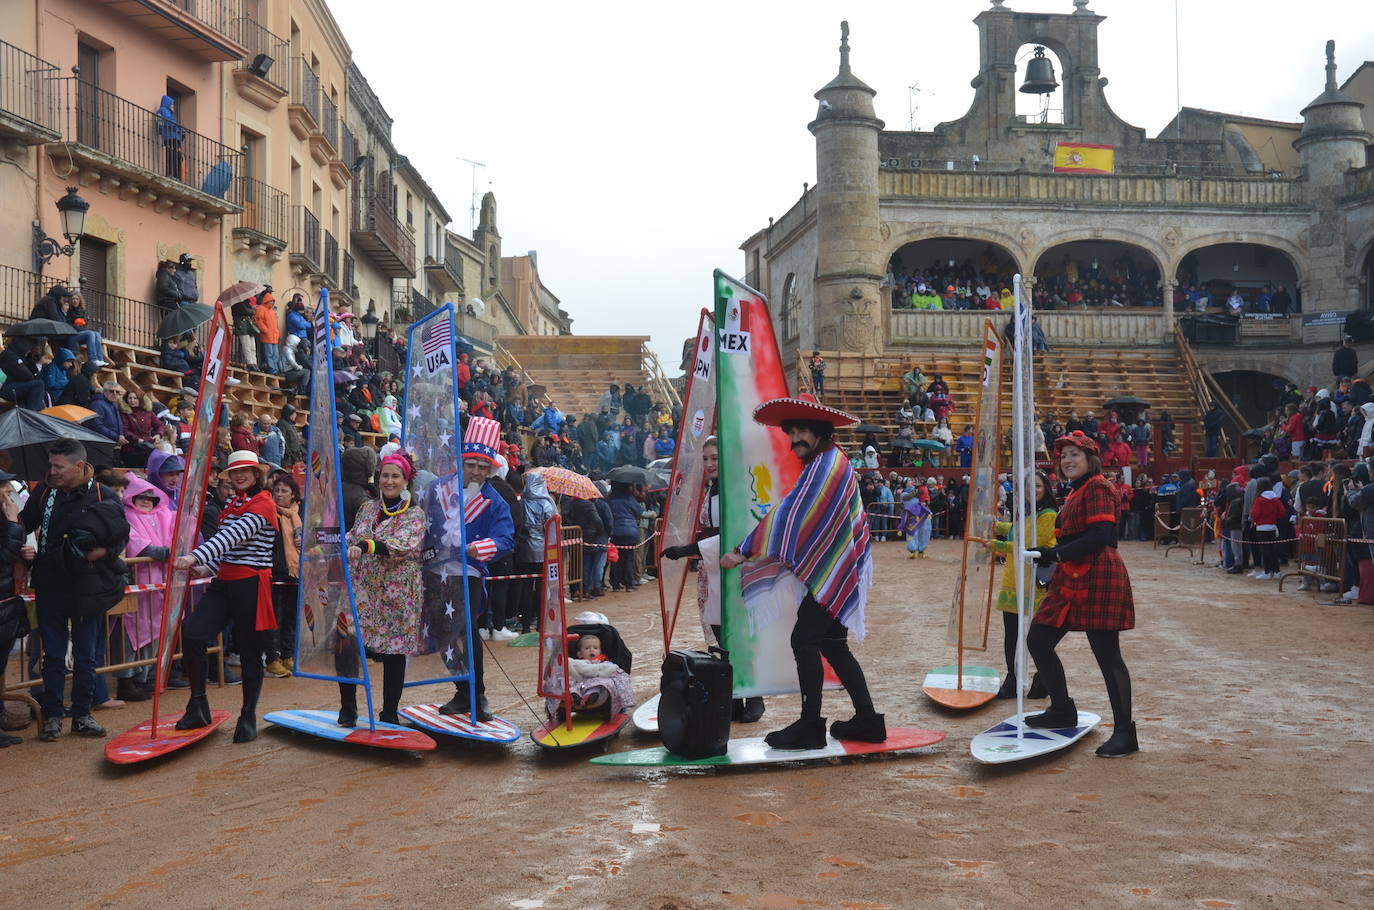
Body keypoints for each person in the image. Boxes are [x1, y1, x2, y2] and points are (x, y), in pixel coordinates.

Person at [719, 394, 882, 750]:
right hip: (843, 567)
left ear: (821, 431)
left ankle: (811, 726)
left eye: (803, 431)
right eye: (791, 433)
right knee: (833, 644)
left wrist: (742, 551)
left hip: (838, 569)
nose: (795, 440)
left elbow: (790, 514)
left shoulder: (826, 465)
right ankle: (868, 720)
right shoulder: (827, 461)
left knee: (804, 640)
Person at [1024, 431, 1138, 757]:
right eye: (1063, 456)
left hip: (1098, 574)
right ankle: (1061, 710)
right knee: (1039, 638)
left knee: (1107, 655)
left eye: (1075, 454)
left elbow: (1100, 535)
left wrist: (1052, 555)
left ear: (1090, 458)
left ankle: (1125, 733)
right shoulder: (1076, 491)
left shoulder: (1099, 486)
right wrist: (1049, 553)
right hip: (1071, 575)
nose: (1068, 460)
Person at [21, 440, 130, 742]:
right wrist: (22, 546)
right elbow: (22, 526)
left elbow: (121, 537)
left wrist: (102, 553)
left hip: (88, 586)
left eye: (59, 467)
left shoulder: (103, 494)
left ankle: (82, 715)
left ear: (79, 466)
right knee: (53, 655)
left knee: (86, 655)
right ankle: (53, 715)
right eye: (50, 465)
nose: (52, 471)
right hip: (49, 584)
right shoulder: (43, 492)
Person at [172, 451, 278, 743]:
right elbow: (228, 548)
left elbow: (231, 537)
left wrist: (195, 556)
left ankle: (248, 715)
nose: (240, 475)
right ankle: (198, 705)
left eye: (245, 470)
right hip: (224, 581)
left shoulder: (263, 503)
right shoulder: (234, 503)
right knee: (193, 633)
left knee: (250, 652)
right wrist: (207, 566)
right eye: (235, 472)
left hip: (250, 585)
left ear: (256, 473)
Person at [660, 437, 765, 723]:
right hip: (713, 568)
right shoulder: (711, 491)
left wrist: (687, 549)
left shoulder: (736, 490)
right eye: (705, 459)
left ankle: (754, 695)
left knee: (740, 635)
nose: (709, 464)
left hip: (734, 567)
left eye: (715, 458)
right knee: (720, 633)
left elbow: (734, 533)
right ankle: (730, 696)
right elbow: (711, 531)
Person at [423, 416, 515, 721]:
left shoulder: (494, 501)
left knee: (467, 629)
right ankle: (462, 691)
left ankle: (478, 693)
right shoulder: (437, 489)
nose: (475, 471)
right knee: (441, 631)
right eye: (471, 464)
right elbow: (420, 524)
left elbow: (506, 538)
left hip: (469, 573)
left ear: (490, 469)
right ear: (462, 461)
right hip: (436, 571)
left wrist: (482, 547)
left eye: (482, 466)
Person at [339, 452, 426, 725]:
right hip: (364, 588)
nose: (389, 481)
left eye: (395, 476)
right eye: (385, 475)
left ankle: (390, 712)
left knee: (393, 651)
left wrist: (366, 546)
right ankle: (348, 708)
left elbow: (401, 545)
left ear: (405, 481)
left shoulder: (414, 514)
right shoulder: (367, 508)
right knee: (347, 643)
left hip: (397, 592)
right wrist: (318, 543)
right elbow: (352, 536)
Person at [987, 471, 1057, 699]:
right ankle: (1012, 677)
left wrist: (996, 544)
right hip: (1014, 578)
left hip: (1035, 581)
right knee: (1011, 634)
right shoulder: (1026, 513)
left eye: (1036, 485)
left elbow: (1026, 544)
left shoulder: (1049, 514)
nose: (1032, 490)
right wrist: (997, 525)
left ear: (1045, 488)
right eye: (1027, 487)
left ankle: (1043, 677)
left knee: (1038, 636)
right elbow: (1017, 532)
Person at [114, 475, 175, 701]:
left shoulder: (162, 516)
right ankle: (126, 680)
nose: (146, 501)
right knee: (131, 635)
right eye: (141, 497)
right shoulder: (128, 517)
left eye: (150, 497)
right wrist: (166, 553)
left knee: (153, 634)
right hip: (137, 585)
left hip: (157, 586)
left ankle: (144, 677)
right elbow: (140, 547)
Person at [263, 475, 302, 678]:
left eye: (284, 491)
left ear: (293, 494)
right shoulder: (270, 514)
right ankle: (272, 658)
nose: (279, 495)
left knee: (290, 617)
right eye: (276, 490)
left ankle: (287, 654)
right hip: (275, 573)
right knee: (273, 617)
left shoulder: (297, 514)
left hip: (294, 572)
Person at [120, 389, 164, 469]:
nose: (132, 401)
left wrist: (158, 434)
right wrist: (138, 440)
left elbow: (159, 425)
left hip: (147, 448)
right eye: (130, 398)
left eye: (135, 398)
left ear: (141, 399)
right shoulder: (125, 414)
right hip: (131, 449)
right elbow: (125, 430)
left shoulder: (148, 412)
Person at [252, 289, 281, 374]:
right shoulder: (261, 308)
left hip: (274, 337)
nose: (272, 303)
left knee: (275, 355)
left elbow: (276, 324)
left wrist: (278, 333)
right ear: (267, 301)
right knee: (269, 355)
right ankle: (272, 370)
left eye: (273, 301)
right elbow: (259, 321)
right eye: (271, 301)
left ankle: (275, 369)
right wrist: (266, 331)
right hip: (267, 336)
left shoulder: (271, 311)